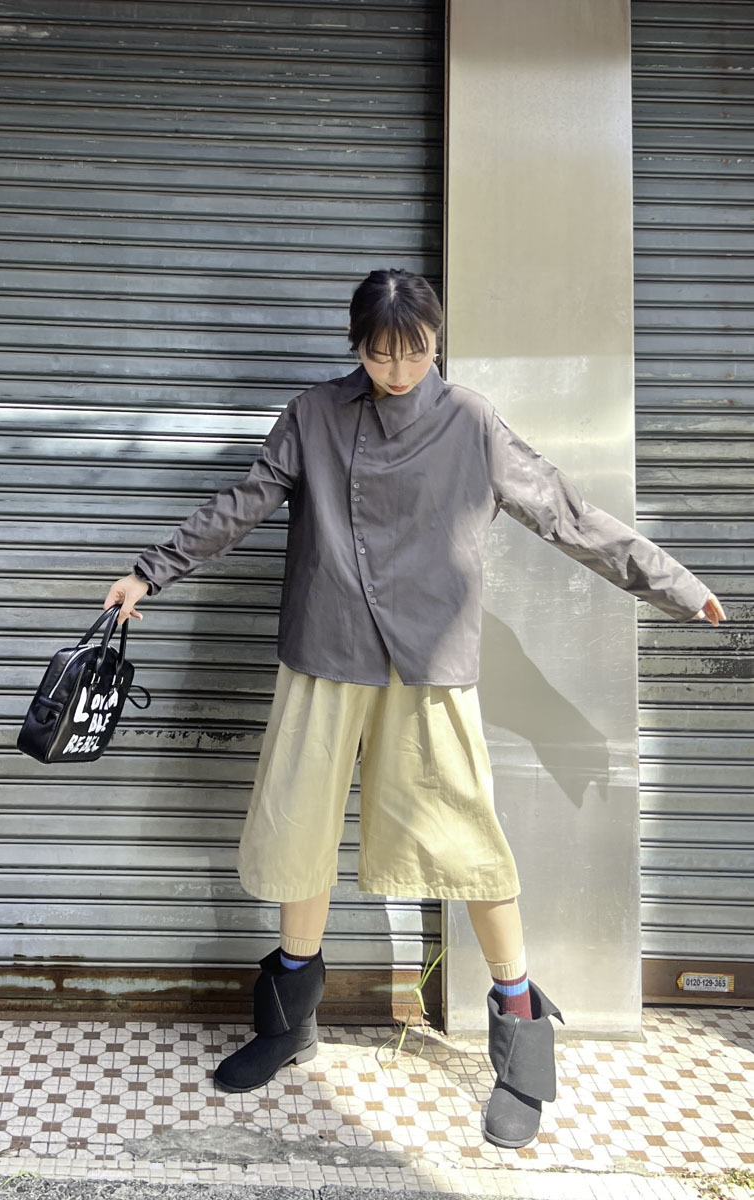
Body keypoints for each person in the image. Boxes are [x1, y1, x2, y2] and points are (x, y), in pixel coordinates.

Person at [104, 269, 725, 1149]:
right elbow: (242, 503)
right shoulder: (314, 414)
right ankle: (288, 1025)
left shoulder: (471, 421)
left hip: (429, 666)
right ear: (356, 345)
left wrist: (673, 584)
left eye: (416, 352)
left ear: (437, 341)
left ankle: (521, 1045)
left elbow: (564, 513)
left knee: (470, 844)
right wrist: (150, 570)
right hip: (325, 653)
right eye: (380, 354)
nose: (398, 372)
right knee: (298, 835)